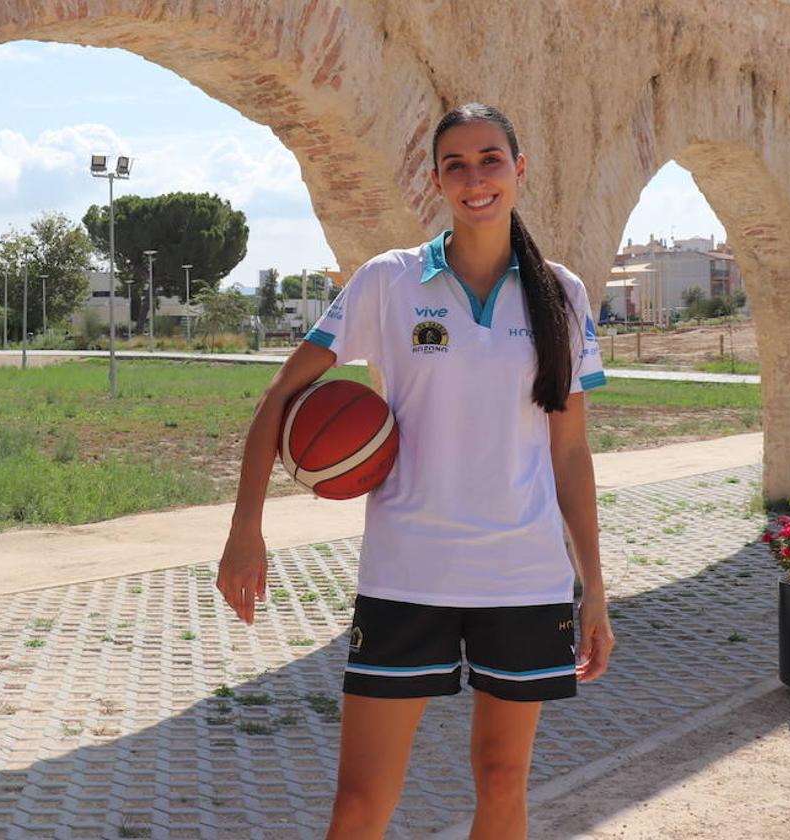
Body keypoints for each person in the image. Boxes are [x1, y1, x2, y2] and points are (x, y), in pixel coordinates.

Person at [217, 103, 615, 839]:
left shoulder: (561, 293)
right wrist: (246, 529)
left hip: (521, 576)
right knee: (361, 803)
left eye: (491, 160)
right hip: (407, 573)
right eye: (456, 165)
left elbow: (569, 453)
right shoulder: (388, 282)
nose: (475, 179)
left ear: (518, 170)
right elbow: (281, 394)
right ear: (436, 180)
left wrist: (593, 586)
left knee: (502, 783)